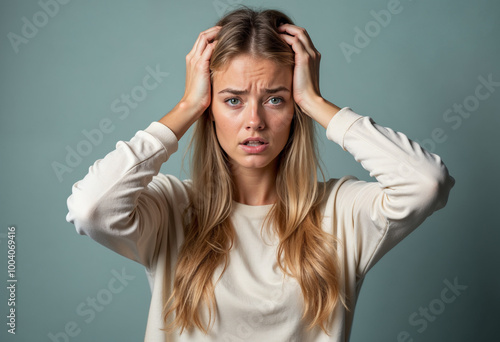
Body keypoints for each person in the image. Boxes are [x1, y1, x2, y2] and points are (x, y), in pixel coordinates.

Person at [66, 7, 455, 342]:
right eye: (232, 100)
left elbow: (426, 184)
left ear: (294, 110)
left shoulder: (340, 213)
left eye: (275, 99)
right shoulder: (172, 208)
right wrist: (186, 106)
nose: (255, 121)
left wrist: (316, 102)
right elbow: (91, 209)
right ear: (209, 109)